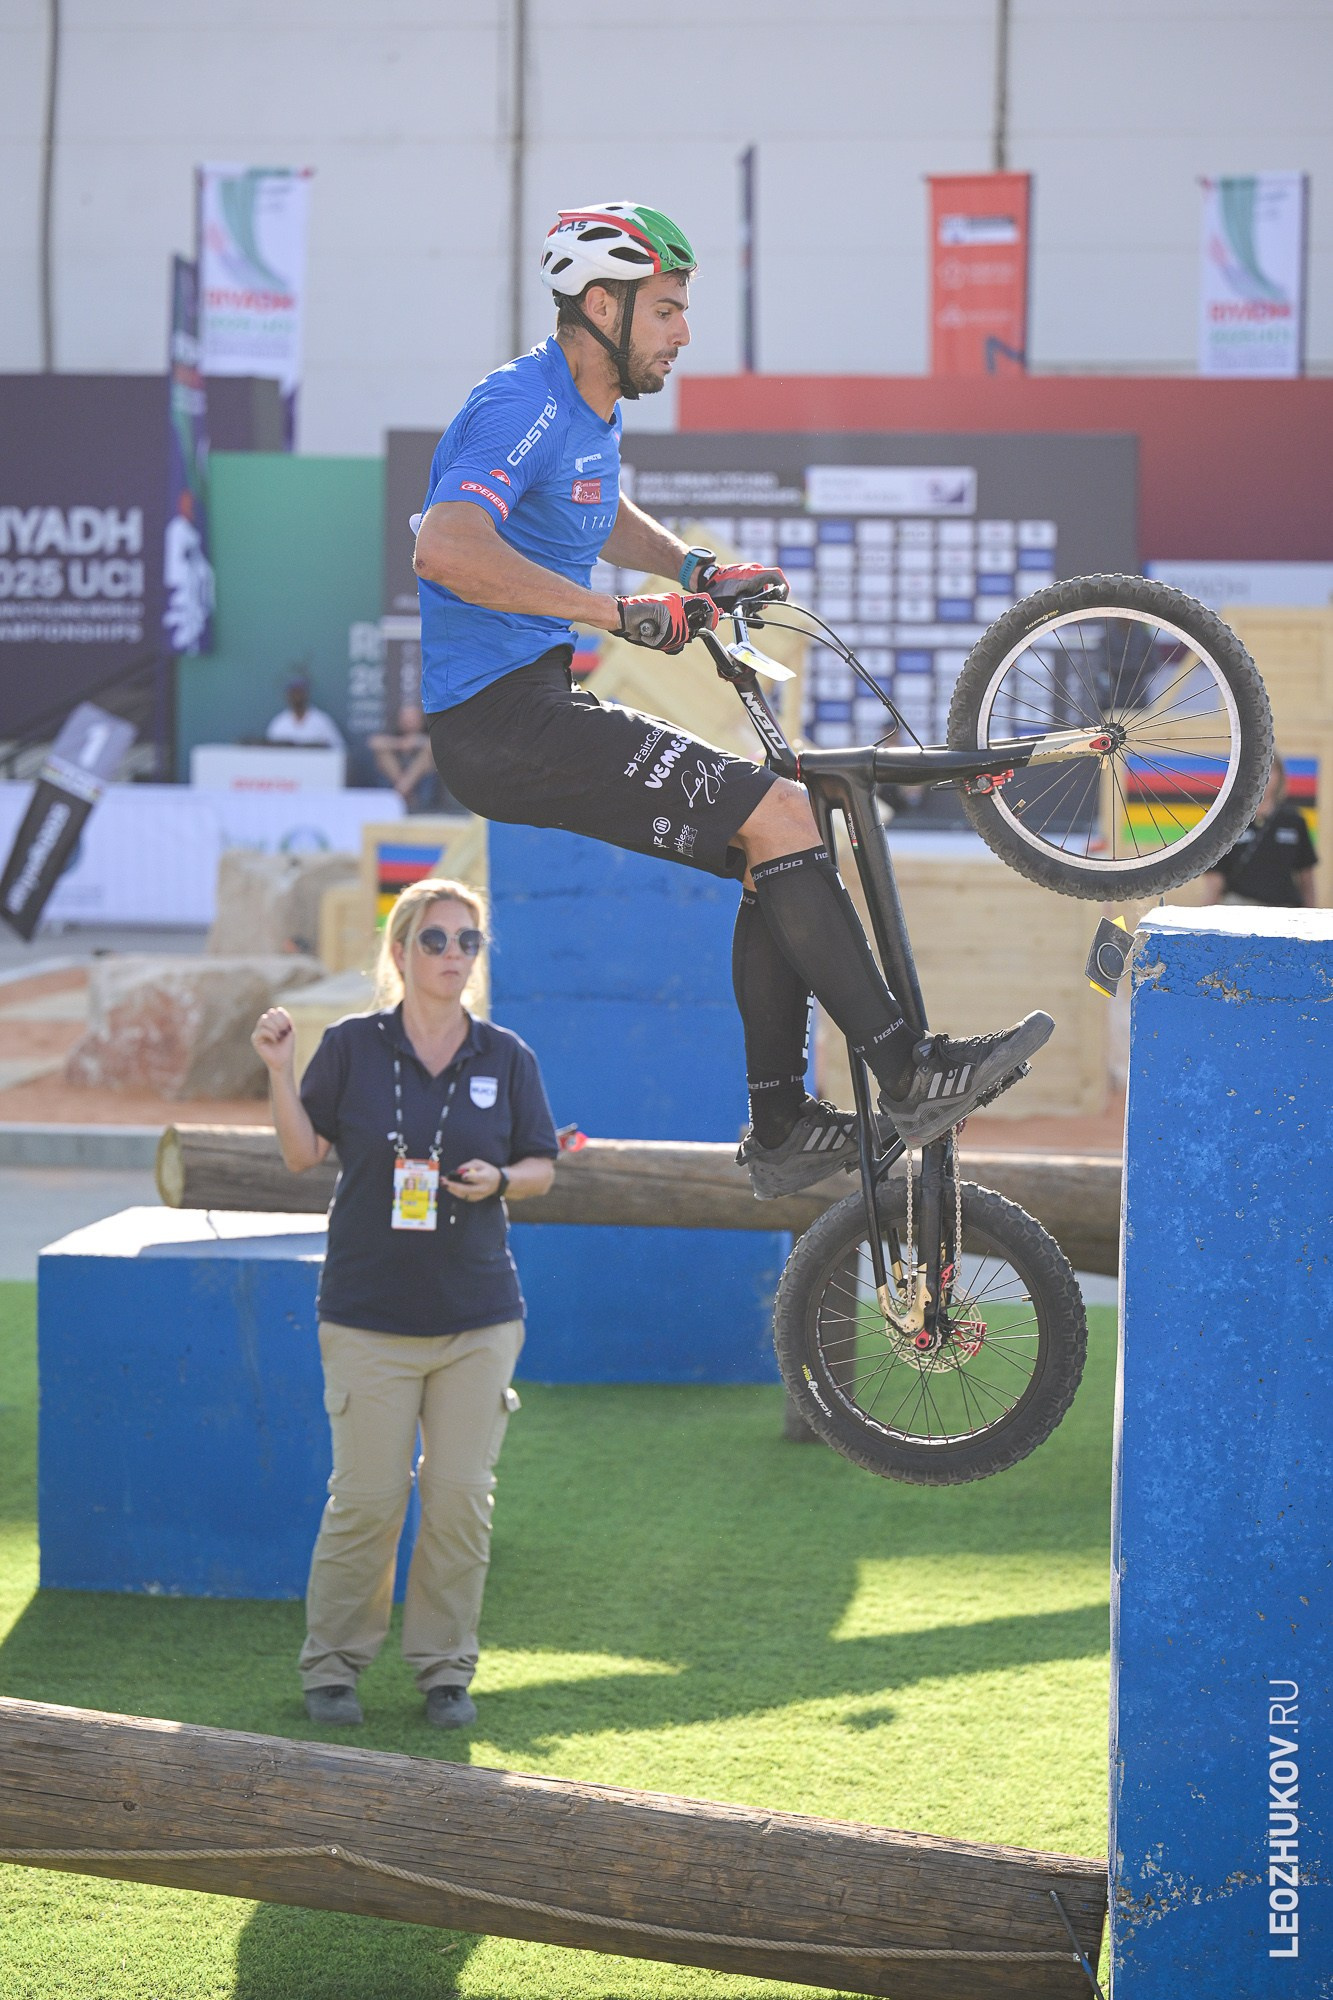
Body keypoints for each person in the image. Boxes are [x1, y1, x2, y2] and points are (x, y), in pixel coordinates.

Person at [413, 202, 1050, 1199]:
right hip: (501, 721)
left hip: (522, 709)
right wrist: (616, 613)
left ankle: (785, 1123)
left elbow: (591, 507)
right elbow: (445, 548)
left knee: (778, 836)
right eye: (665, 309)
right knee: (781, 811)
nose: (683, 332)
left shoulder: (584, 413)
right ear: (600, 303)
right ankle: (906, 1070)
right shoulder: (519, 403)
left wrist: (691, 565)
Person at [251, 876, 558, 1729]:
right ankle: (333, 1669)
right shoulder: (349, 1046)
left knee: (460, 1496)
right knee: (369, 1499)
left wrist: (500, 1178)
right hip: (367, 1314)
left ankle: (444, 1672)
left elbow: (540, 1164)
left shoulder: (506, 1055)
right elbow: (301, 1153)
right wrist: (279, 1070)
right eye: (435, 939)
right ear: (399, 950)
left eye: (468, 941)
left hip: (479, 1317)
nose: (453, 955)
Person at [1199, 755, 1318, 909]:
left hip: (1284, 910)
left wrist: (1309, 917)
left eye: (1269, 770)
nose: (1263, 776)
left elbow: (1306, 877)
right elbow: (1215, 879)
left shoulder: (1294, 820)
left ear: (1280, 776)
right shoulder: (1229, 820)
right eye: (1257, 769)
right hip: (1238, 908)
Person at [370, 701, 444, 812]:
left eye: (412, 719)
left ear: (420, 720)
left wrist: (416, 741)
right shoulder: (393, 732)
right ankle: (406, 793)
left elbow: (437, 744)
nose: (409, 722)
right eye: (406, 719)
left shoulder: (427, 732)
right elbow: (374, 742)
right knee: (383, 754)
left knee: (426, 755)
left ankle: (401, 792)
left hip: (421, 783)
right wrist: (400, 743)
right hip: (394, 778)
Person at [266, 672, 345, 750]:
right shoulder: (279, 723)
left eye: (300, 692)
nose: (297, 696)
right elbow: (268, 753)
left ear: (306, 694)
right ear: (287, 695)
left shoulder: (322, 721)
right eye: (293, 692)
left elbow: (339, 750)